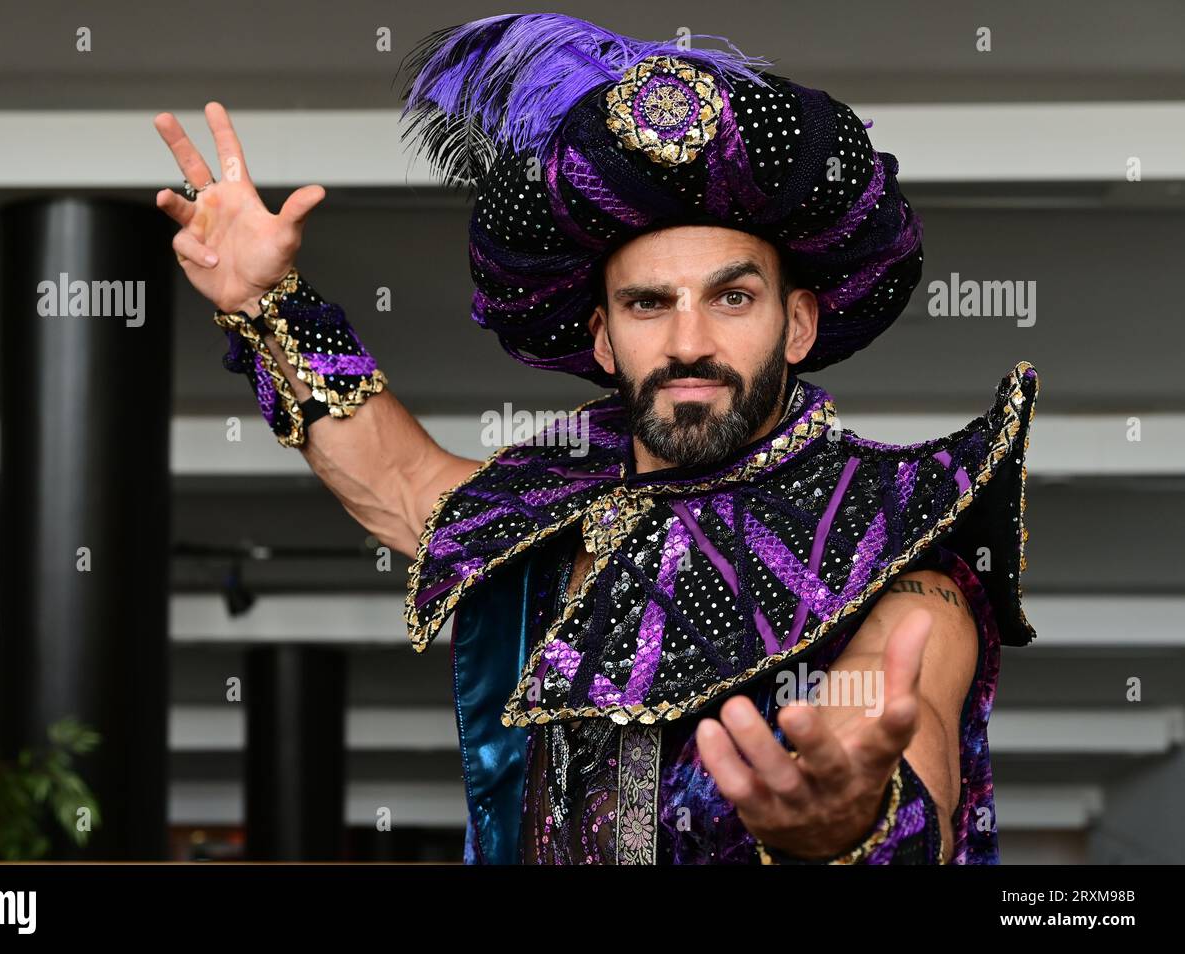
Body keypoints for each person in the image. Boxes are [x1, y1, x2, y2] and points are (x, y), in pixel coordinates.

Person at [152, 13, 1038, 865]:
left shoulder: (900, 540)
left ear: (797, 325)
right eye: (649, 303)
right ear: (605, 338)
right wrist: (264, 305)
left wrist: (844, 823)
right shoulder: (554, 514)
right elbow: (401, 482)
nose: (689, 341)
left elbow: (899, 710)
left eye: (733, 298)